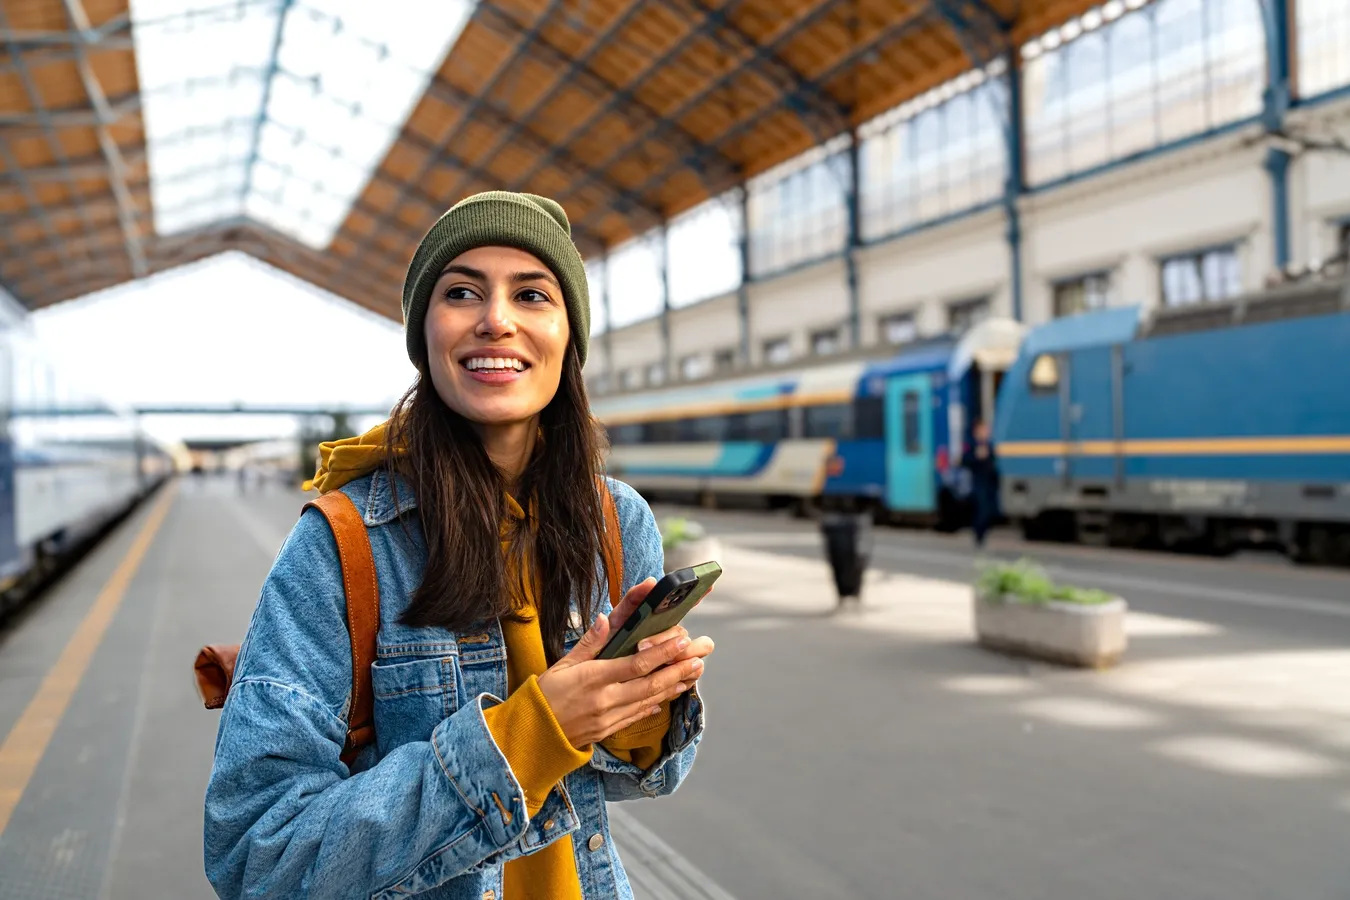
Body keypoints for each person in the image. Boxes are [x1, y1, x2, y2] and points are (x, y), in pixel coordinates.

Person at [203, 191, 714, 899]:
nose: (496, 320)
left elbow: (637, 778)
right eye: (462, 292)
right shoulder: (343, 544)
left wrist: (644, 708)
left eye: (532, 294)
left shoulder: (614, 519)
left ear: (567, 336)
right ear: (426, 336)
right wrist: (529, 734)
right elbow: (258, 852)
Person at [964, 418, 1000, 549]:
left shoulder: (989, 445)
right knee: (981, 510)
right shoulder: (971, 445)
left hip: (989, 483)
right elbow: (964, 460)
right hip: (977, 483)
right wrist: (976, 457)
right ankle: (978, 536)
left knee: (990, 510)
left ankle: (982, 535)